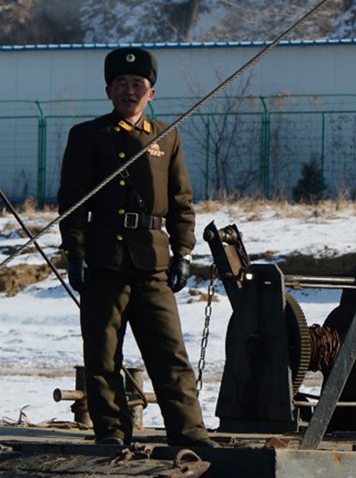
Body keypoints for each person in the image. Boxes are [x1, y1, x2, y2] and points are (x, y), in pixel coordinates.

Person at [57, 47, 217, 448]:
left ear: (152, 92)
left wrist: (182, 252)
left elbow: (182, 200)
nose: (130, 91)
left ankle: (191, 435)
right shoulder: (88, 136)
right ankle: (111, 434)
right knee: (103, 354)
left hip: (154, 261)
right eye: (122, 84)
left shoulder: (168, 136)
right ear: (109, 90)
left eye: (138, 85)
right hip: (104, 260)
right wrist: (74, 254)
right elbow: (72, 203)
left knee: (170, 355)